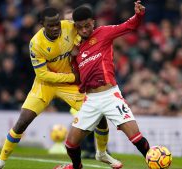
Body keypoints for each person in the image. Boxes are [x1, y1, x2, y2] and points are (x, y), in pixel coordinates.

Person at [0, 7, 122, 169]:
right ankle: (0, 163)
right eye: (50, 25)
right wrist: (72, 77)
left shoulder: (69, 27)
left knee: (100, 117)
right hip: (46, 85)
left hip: (70, 86)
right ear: (42, 24)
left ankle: (102, 153)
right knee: (22, 122)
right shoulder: (36, 44)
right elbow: (43, 74)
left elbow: (87, 35)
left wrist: (79, 52)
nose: (55, 28)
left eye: (56, 24)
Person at [54, 1, 150, 169]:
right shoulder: (77, 50)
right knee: (70, 144)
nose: (84, 30)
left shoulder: (104, 33)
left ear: (93, 22)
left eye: (87, 25)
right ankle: (77, 166)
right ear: (76, 27)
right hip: (90, 100)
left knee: (136, 137)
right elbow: (78, 77)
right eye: (80, 27)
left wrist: (139, 15)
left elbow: (128, 26)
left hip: (110, 95)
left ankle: (152, 163)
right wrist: (72, 60)